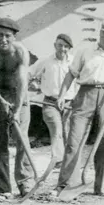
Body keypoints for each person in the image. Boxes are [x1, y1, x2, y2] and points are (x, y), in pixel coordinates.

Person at [56, 19, 104, 196]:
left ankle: (99, 186)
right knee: (74, 141)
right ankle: (65, 185)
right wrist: (62, 95)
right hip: (86, 94)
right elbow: (71, 75)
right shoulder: (85, 51)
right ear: (100, 33)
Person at [0, 17, 34, 196]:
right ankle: (0, 185)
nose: (3, 40)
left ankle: (25, 182)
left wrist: (17, 109)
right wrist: (0, 100)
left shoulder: (20, 52)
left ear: (14, 37)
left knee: (21, 138)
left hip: (18, 93)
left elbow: (22, 82)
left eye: (8, 36)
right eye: (0, 35)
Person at [29, 32, 77, 167]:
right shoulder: (45, 61)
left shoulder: (74, 62)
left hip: (69, 103)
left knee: (68, 131)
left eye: (66, 47)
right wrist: (29, 84)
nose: (63, 49)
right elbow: (29, 73)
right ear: (55, 45)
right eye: (60, 45)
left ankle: (68, 162)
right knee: (56, 129)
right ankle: (58, 160)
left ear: (69, 48)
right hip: (50, 102)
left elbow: (81, 80)